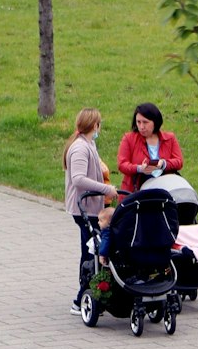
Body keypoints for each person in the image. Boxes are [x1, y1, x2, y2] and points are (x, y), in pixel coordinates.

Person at [63, 107, 116, 315]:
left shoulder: (89, 144)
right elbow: (78, 179)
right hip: (84, 207)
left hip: (93, 206)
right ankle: (82, 297)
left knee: (92, 249)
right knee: (90, 251)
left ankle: (93, 293)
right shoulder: (80, 148)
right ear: (94, 125)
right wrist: (105, 189)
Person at [116, 102, 183, 193]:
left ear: (155, 122)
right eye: (138, 122)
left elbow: (179, 161)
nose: (141, 127)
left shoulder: (169, 138)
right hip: (137, 191)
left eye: (145, 122)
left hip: (165, 188)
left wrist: (163, 164)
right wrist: (139, 168)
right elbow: (122, 164)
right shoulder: (129, 139)